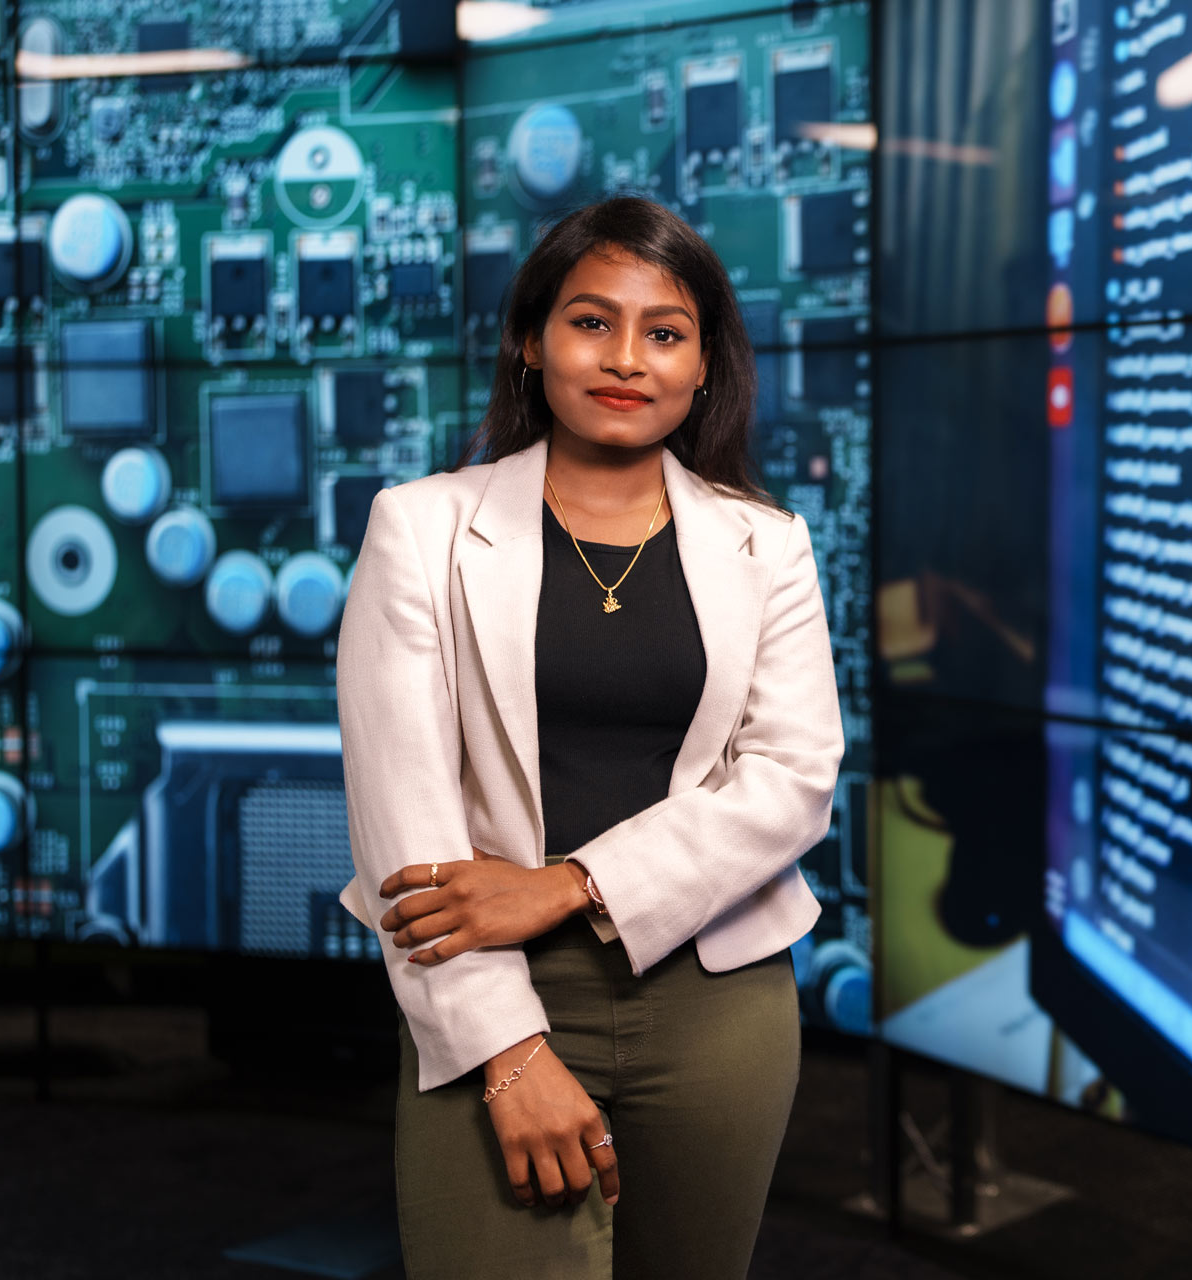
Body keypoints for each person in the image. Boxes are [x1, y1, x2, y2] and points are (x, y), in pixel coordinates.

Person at [332, 195, 844, 1278]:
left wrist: (568, 882)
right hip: (486, 982)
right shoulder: (419, 527)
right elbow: (405, 837)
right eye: (589, 321)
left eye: (665, 332)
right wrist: (510, 1051)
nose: (627, 359)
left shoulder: (770, 542)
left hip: (721, 1005)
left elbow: (794, 781)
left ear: (705, 365)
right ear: (531, 340)